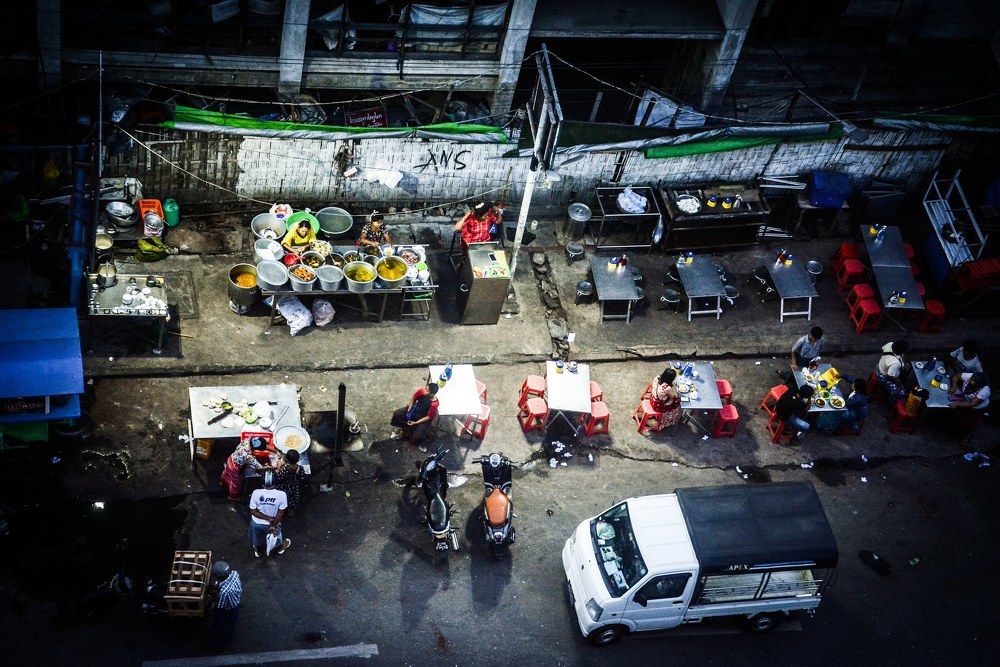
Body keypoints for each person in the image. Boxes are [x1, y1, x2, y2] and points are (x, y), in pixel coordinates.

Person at [248, 470, 291, 558]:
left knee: (256, 537)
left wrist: (267, 518)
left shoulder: (256, 493)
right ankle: (279, 548)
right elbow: (280, 513)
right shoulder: (282, 495)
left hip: (257, 522)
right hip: (273, 522)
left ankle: (258, 551)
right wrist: (273, 525)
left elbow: (253, 511)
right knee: (275, 536)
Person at [390, 383, 440, 451]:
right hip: (415, 410)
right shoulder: (422, 391)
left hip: (423, 418)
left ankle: (421, 442)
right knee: (397, 414)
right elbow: (413, 399)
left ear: (432, 394)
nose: (424, 391)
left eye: (427, 390)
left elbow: (429, 417)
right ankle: (403, 431)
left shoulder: (434, 404)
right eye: (426, 388)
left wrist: (416, 422)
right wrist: (409, 411)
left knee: (418, 434)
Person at [219, 437, 266, 502]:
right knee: (236, 483)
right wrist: (269, 467)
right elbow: (259, 467)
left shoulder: (247, 441)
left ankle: (222, 482)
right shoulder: (248, 456)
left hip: (231, 459)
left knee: (227, 472)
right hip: (235, 468)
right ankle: (233, 497)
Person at [210, 561, 241, 651]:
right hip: (236, 601)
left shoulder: (224, 592)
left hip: (229, 609)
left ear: (219, 576)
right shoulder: (234, 574)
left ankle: (220, 646)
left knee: (222, 627)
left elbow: (220, 607)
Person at [274, 449, 306, 513]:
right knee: (294, 498)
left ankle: (282, 508)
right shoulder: (300, 468)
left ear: (287, 460)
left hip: (284, 486)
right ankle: (292, 510)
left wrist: (278, 468)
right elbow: (303, 478)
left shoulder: (285, 470)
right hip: (295, 485)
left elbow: (278, 479)